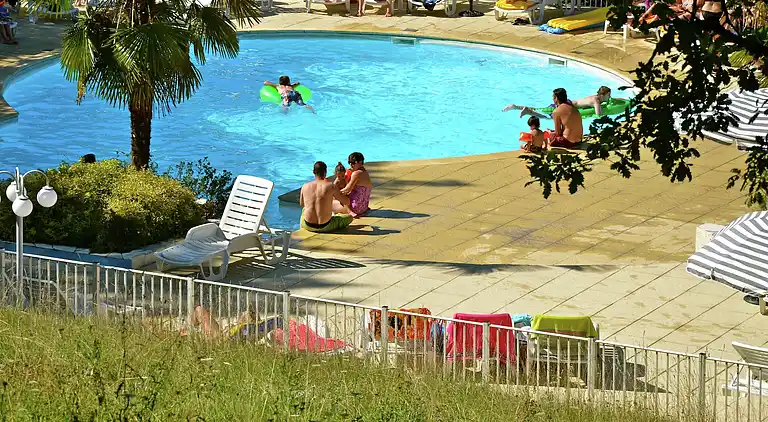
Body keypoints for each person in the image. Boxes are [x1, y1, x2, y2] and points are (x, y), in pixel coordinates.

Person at [300, 161, 353, 233]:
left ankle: (301, 228)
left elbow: (302, 204)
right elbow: (346, 202)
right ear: (325, 172)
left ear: (313, 172)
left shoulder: (305, 186)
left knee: (304, 209)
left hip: (308, 225)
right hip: (326, 225)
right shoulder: (331, 186)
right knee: (349, 217)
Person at [334, 152, 372, 218]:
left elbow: (347, 190)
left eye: (353, 163)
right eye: (349, 162)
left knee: (329, 203)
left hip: (356, 209)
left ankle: (349, 212)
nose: (351, 165)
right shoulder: (365, 172)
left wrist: (334, 193)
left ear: (360, 162)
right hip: (364, 207)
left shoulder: (356, 174)